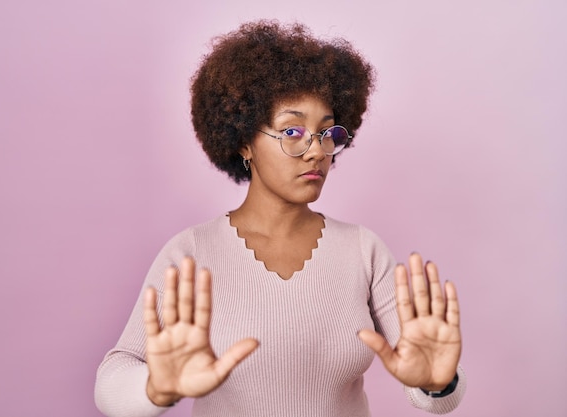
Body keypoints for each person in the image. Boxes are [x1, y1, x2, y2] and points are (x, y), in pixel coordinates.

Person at [95, 20, 466, 417]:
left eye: (327, 133)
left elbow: (430, 387)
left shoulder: (362, 250)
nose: (316, 152)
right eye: (292, 131)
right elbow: (113, 377)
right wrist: (155, 388)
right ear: (243, 142)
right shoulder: (192, 252)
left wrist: (437, 382)